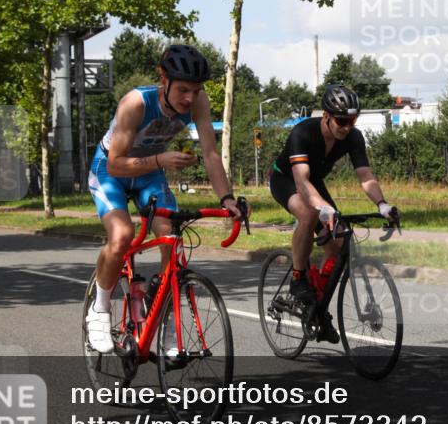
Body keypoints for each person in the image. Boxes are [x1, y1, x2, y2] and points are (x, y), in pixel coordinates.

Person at [86, 44, 248, 354]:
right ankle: (101, 309)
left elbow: (211, 153)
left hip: (149, 173)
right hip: (111, 170)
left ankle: (165, 318)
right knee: (122, 235)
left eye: (196, 90)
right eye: (183, 89)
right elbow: (115, 163)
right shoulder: (135, 103)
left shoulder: (198, 102)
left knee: (172, 238)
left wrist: (226, 198)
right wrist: (160, 160)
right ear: (163, 79)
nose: (190, 98)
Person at [268, 83, 399, 344]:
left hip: (314, 184)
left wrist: (382, 205)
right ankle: (297, 278)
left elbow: (365, 175)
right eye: (342, 120)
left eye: (352, 120)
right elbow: (302, 182)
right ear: (326, 116)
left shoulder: (353, 136)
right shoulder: (302, 133)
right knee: (308, 214)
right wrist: (324, 209)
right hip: (287, 181)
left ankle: (318, 309)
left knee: (338, 245)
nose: (347, 126)